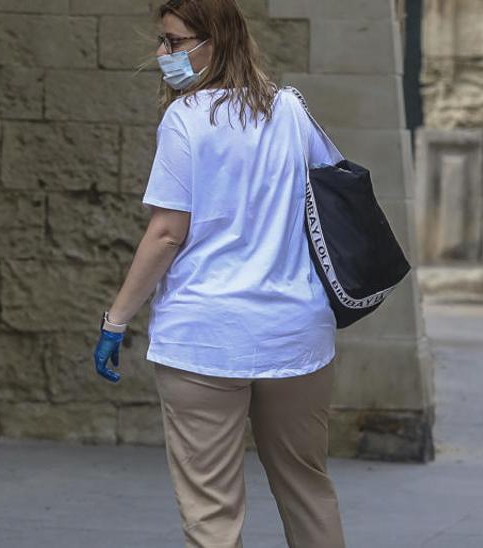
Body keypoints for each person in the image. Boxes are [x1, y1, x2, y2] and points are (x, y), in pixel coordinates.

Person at [90, 0, 346, 546]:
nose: (163, 55)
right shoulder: (291, 110)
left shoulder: (185, 120)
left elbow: (166, 233)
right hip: (295, 332)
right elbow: (331, 194)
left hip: (204, 336)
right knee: (308, 488)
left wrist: (116, 320)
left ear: (217, 42)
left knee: (211, 512)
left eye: (175, 43)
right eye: (162, 42)